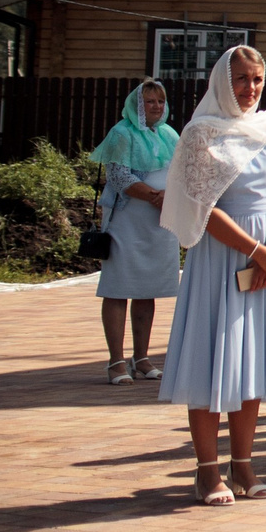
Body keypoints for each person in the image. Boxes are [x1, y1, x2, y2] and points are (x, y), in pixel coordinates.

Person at [158, 46, 266, 506]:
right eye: (241, 79)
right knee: (211, 359)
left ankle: (243, 464)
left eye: (257, 79)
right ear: (222, 80)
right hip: (221, 259)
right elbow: (202, 207)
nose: (250, 88)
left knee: (251, 361)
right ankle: (207, 471)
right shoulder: (200, 132)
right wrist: (255, 251)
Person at [87, 79, 179, 384]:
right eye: (149, 101)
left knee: (147, 287)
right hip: (127, 220)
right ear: (137, 105)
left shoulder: (169, 135)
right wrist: (155, 196)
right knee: (118, 286)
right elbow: (119, 176)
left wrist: (170, 196)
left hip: (159, 222)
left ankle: (141, 358)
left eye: (160, 101)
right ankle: (116, 361)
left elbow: (181, 173)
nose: (156, 106)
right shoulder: (121, 133)